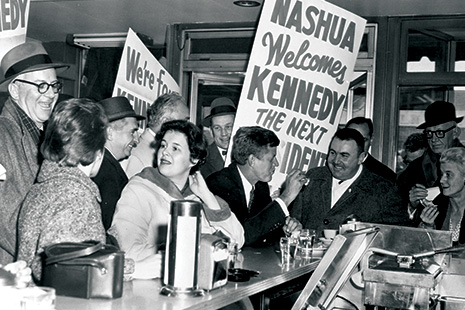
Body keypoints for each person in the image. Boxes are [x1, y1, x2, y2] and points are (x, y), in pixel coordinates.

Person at [109, 120, 244, 279]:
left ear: (193, 159)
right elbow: (126, 250)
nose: (165, 152)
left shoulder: (195, 195)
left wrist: (207, 196)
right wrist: (194, 248)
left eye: (175, 148)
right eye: (163, 145)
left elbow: (236, 241)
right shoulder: (139, 189)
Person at [16, 98, 107, 281]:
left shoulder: (43, 188)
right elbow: (62, 269)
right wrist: (129, 268)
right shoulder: (75, 196)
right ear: (98, 153)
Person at [0, 42, 69, 265]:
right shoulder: (2, 135)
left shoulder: (45, 133)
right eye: (41, 86)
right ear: (14, 90)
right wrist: (50, 262)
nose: (50, 94)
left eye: (54, 85)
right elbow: (5, 219)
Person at [290, 128, 409, 236]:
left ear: (361, 158)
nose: (336, 161)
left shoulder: (384, 190)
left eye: (344, 156)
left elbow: (398, 235)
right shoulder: (313, 177)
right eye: (332, 153)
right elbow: (295, 221)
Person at [207, 126, 305, 246]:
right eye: (271, 159)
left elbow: (262, 231)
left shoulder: (260, 186)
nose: (276, 163)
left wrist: (286, 230)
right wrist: (286, 197)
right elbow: (242, 235)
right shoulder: (220, 184)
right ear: (252, 160)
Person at [397, 101, 464, 222]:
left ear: (455, 132)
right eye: (429, 133)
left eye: (439, 133)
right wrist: (412, 205)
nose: (434, 139)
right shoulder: (415, 167)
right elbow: (397, 210)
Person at [92, 96, 145, 231]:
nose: (137, 140)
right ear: (109, 132)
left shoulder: (100, 164)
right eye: (132, 132)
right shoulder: (108, 171)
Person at [123, 92, 190, 178]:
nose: (187, 127)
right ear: (166, 122)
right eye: (184, 121)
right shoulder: (138, 157)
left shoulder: (156, 150)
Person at [418, 147, 465, 245]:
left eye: (448, 175)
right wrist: (429, 228)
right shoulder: (437, 205)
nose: (441, 180)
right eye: (441, 174)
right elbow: (421, 249)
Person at [346, 117, 396, 183]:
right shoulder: (332, 166)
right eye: (352, 139)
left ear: (371, 140)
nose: (357, 145)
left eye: (363, 140)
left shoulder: (385, 176)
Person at [200, 97, 237, 179]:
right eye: (217, 128)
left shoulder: (250, 154)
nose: (223, 133)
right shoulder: (202, 159)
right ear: (211, 130)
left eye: (228, 127)